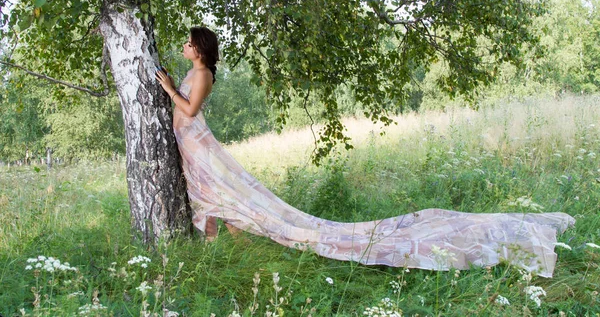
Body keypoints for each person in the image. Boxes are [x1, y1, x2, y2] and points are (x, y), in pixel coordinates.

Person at [157, 27, 575, 277]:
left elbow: (190, 109)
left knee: (232, 199)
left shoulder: (204, 74)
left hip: (198, 144)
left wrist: (168, 89)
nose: (185, 46)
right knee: (219, 201)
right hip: (190, 146)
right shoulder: (195, 70)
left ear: (201, 47)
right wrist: (173, 87)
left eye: (189, 42)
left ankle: (232, 250)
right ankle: (226, 253)